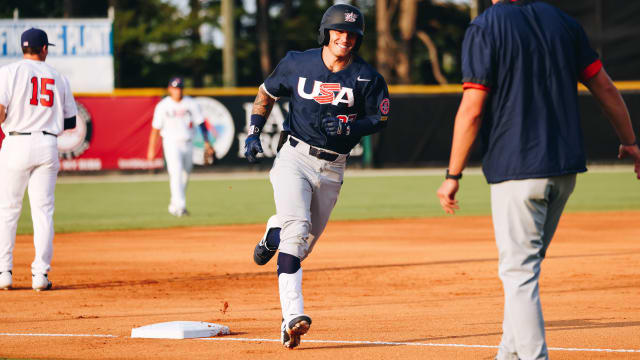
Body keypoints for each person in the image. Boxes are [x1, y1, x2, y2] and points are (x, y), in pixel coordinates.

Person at [436, 1, 640, 359]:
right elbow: (605, 88)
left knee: (519, 272)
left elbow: (472, 108)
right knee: (525, 270)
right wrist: (630, 142)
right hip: (564, 171)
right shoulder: (564, 23)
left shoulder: (487, 26)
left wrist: (453, 174)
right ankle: (509, 354)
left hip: (517, 169)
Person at [244, 4, 390, 349]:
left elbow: (380, 118)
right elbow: (267, 92)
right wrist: (253, 130)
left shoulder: (367, 77)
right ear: (326, 32)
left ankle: (272, 234)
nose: (345, 38)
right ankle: (292, 315)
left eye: (352, 34)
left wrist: (352, 124)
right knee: (297, 233)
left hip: (334, 167)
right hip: (294, 156)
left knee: (302, 244)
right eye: (339, 31)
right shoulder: (298, 62)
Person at [0, 28, 77, 291]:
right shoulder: (58, 77)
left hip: (16, 140)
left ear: (24, 48)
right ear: (44, 48)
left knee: (8, 210)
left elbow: (0, 112)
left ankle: (4, 273)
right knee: (43, 212)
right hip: (47, 143)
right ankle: (40, 276)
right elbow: (70, 121)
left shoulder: (8, 72)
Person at [146, 77, 215, 217]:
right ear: (170, 89)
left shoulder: (191, 103)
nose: (178, 91)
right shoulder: (163, 106)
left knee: (185, 174)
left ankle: (174, 204)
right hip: (171, 143)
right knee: (176, 173)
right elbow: (155, 129)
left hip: (188, 143)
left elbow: (201, 123)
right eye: (175, 88)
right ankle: (180, 207)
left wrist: (207, 142)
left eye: (180, 88)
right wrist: (151, 148)